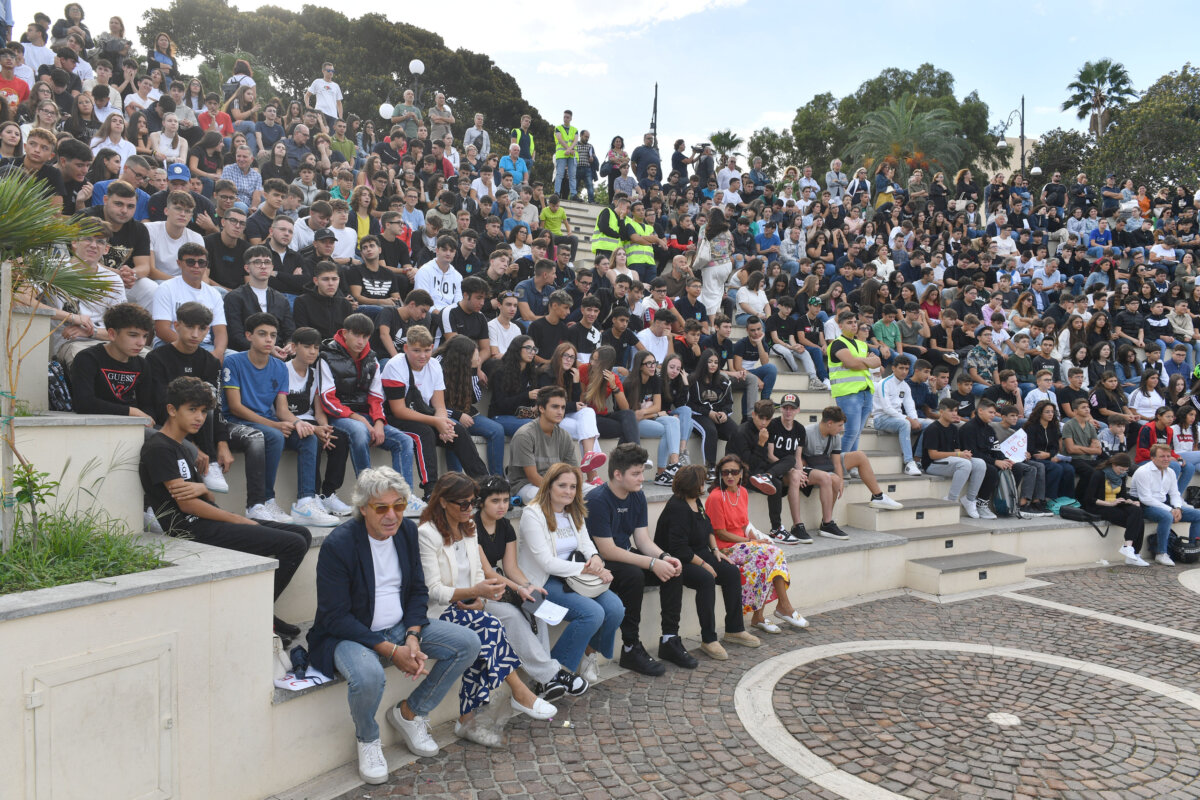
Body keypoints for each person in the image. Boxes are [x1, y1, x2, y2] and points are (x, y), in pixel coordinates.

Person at [306, 467, 480, 778]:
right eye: (381, 507)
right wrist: (390, 649)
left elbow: (417, 589)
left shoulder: (407, 532)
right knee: (369, 677)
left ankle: (411, 714)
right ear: (363, 508)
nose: (392, 515)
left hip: (401, 626)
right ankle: (368, 739)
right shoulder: (339, 544)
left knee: (467, 644)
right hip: (350, 635)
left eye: (399, 505)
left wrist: (412, 636)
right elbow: (335, 616)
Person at [141, 376, 311, 640]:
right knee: (293, 544)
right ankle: (259, 613)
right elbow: (188, 506)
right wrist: (237, 519)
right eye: (192, 410)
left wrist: (203, 489)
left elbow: (204, 496)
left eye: (203, 411)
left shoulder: (184, 447)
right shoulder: (159, 448)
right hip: (189, 529)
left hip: (206, 520)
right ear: (172, 410)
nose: (199, 417)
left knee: (303, 534)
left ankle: (264, 611)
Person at [415, 472, 556, 748]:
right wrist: (475, 594)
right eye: (463, 503)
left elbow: (479, 573)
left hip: (467, 605)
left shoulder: (468, 527)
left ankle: (468, 721)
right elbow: (432, 590)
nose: (469, 509)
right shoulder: (427, 534)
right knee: (489, 627)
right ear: (443, 502)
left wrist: (480, 598)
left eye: (472, 503)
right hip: (437, 610)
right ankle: (518, 692)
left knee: (482, 626)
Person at [473, 475, 590, 699]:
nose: (502, 506)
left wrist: (528, 586)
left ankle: (545, 683)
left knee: (537, 605)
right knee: (513, 616)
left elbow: (511, 568)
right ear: (481, 502)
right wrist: (518, 589)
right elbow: (487, 571)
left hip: (500, 583)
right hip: (480, 589)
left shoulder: (505, 526)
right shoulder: (472, 527)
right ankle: (553, 674)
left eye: (506, 500)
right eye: (495, 501)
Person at [221, 312, 341, 526]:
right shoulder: (233, 362)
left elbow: (283, 410)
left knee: (307, 437)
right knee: (275, 436)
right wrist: (275, 425)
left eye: (273, 335)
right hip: (239, 422)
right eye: (262, 334)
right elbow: (235, 407)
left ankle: (305, 502)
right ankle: (262, 502)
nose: (268, 339)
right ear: (248, 335)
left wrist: (300, 424)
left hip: (268, 422)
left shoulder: (278, 366)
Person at [586, 443, 694, 674]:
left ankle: (669, 639)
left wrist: (664, 557)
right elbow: (607, 550)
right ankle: (630, 647)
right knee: (634, 575)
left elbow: (642, 540)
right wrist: (652, 564)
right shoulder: (597, 500)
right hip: (598, 563)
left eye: (642, 472)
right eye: (635, 474)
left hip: (624, 555)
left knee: (674, 570)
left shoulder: (637, 496)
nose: (641, 478)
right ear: (617, 474)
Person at [517, 461, 624, 685]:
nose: (568, 491)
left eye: (573, 487)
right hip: (543, 582)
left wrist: (596, 559)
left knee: (615, 608)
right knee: (592, 613)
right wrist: (589, 569)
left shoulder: (573, 511)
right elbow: (546, 562)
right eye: (562, 485)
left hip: (576, 578)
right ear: (549, 486)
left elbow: (586, 544)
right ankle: (554, 675)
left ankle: (588, 655)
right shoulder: (532, 514)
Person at [317, 313, 422, 515]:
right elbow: (327, 398)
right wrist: (359, 419)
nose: (361, 341)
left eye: (365, 337)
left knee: (404, 441)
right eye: (356, 335)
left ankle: (404, 497)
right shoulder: (326, 356)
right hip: (339, 415)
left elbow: (376, 397)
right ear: (345, 333)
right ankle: (370, 496)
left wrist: (379, 422)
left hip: (366, 416)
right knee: (359, 432)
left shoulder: (371, 358)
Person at [653, 464, 760, 660]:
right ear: (694, 484)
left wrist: (716, 552)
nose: (705, 483)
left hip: (701, 553)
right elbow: (679, 549)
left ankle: (734, 629)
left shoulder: (696, 501)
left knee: (731, 572)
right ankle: (709, 639)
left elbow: (708, 527)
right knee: (706, 579)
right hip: (679, 559)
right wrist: (704, 564)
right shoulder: (677, 507)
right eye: (702, 480)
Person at [705, 453, 809, 635]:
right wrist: (751, 541)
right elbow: (719, 532)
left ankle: (765, 614)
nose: (729, 476)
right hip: (724, 548)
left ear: (741, 473)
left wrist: (756, 539)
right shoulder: (715, 497)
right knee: (767, 555)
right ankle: (779, 609)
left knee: (773, 552)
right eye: (725, 472)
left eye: (734, 472)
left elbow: (744, 524)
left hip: (742, 545)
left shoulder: (742, 492)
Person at [380, 323, 488, 494]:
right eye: (416, 351)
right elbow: (398, 410)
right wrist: (437, 422)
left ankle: (484, 483)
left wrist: (444, 423)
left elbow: (439, 405)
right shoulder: (395, 366)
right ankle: (430, 489)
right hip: (395, 417)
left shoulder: (434, 365)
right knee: (424, 432)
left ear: (432, 348)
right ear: (406, 348)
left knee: (457, 429)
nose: (422, 356)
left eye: (426, 350)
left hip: (423, 413)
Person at [70, 302, 153, 419]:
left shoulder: (142, 364)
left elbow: (148, 406)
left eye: (145, 336)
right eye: (133, 335)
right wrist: (130, 411)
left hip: (134, 425)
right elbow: (84, 403)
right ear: (112, 334)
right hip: (97, 425)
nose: (141, 343)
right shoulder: (88, 359)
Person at [1131, 443, 1200, 566]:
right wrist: (1170, 510)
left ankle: (1194, 548)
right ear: (1153, 458)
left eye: (1168, 456)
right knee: (1167, 516)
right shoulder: (1143, 471)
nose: (1166, 459)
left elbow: (1174, 494)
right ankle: (1161, 553)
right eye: (1162, 456)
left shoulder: (1171, 472)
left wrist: (1178, 508)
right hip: (1144, 506)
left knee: (1197, 514)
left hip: (1163, 504)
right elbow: (1146, 498)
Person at [922, 398, 991, 517]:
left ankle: (970, 499)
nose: (954, 413)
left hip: (949, 462)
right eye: (951, 411)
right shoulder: (932, 429)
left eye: (955, 411)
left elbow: (957, 451)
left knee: (980, 463)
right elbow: (933, 455)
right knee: (964, 464)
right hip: (933, 465)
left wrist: (964, 454)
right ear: (941, 412)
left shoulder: (954, 428)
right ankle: (951, 499)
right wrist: (958, 455)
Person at [1080, 453, 1148, 567]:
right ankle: (1133, 554)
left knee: (1137, 510)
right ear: (1113, 465)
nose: (1122, 472)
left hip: (1115, 503)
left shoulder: (1122, 476)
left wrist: (1130, 501)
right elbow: (1089, 499)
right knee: (1138, 521)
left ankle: (1128, 547)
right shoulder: (1099, 475)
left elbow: (1122, 495)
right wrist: (1109, 504)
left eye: (1125, 470)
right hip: (1100, 505)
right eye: (1121, 469)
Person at [826, 309, 880, 454]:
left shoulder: (862, 344)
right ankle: (838, 465)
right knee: (851, 432)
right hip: (847, 392)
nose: (854, 325)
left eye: (855, 322)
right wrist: (865, 362)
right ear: (840, 326)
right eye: (849, 323)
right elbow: (853, 364)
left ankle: (849, 464)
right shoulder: (837, 344)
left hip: (866, 392)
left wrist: (859, 361)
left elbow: (877, 362)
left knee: (857, 433)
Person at [874, 358, 932, 476]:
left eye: (906, 369)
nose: (904, 372)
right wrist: (908, 419)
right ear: (893, 368)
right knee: (905, 423)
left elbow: (910, 406)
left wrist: (915, 419)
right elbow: (887, 408)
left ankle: (917, 458)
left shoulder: (905, 386)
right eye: (901, 368)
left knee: (930, 424)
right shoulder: (884, 383)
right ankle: (909, 463)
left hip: (897, 418)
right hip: (881, 419)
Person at [688, 347, 736, 479]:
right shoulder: (693, 380)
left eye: (716, 362)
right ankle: (710, 468)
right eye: (710, 362)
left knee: (735, 432)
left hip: (717, 415)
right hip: (697, 415)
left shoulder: (723, 381)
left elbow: (728, 403)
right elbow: (689, 404)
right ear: (704, 362)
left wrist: (725, 413)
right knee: (710, 430)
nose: (713, 365)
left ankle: (730, 466)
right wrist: (708, 413)